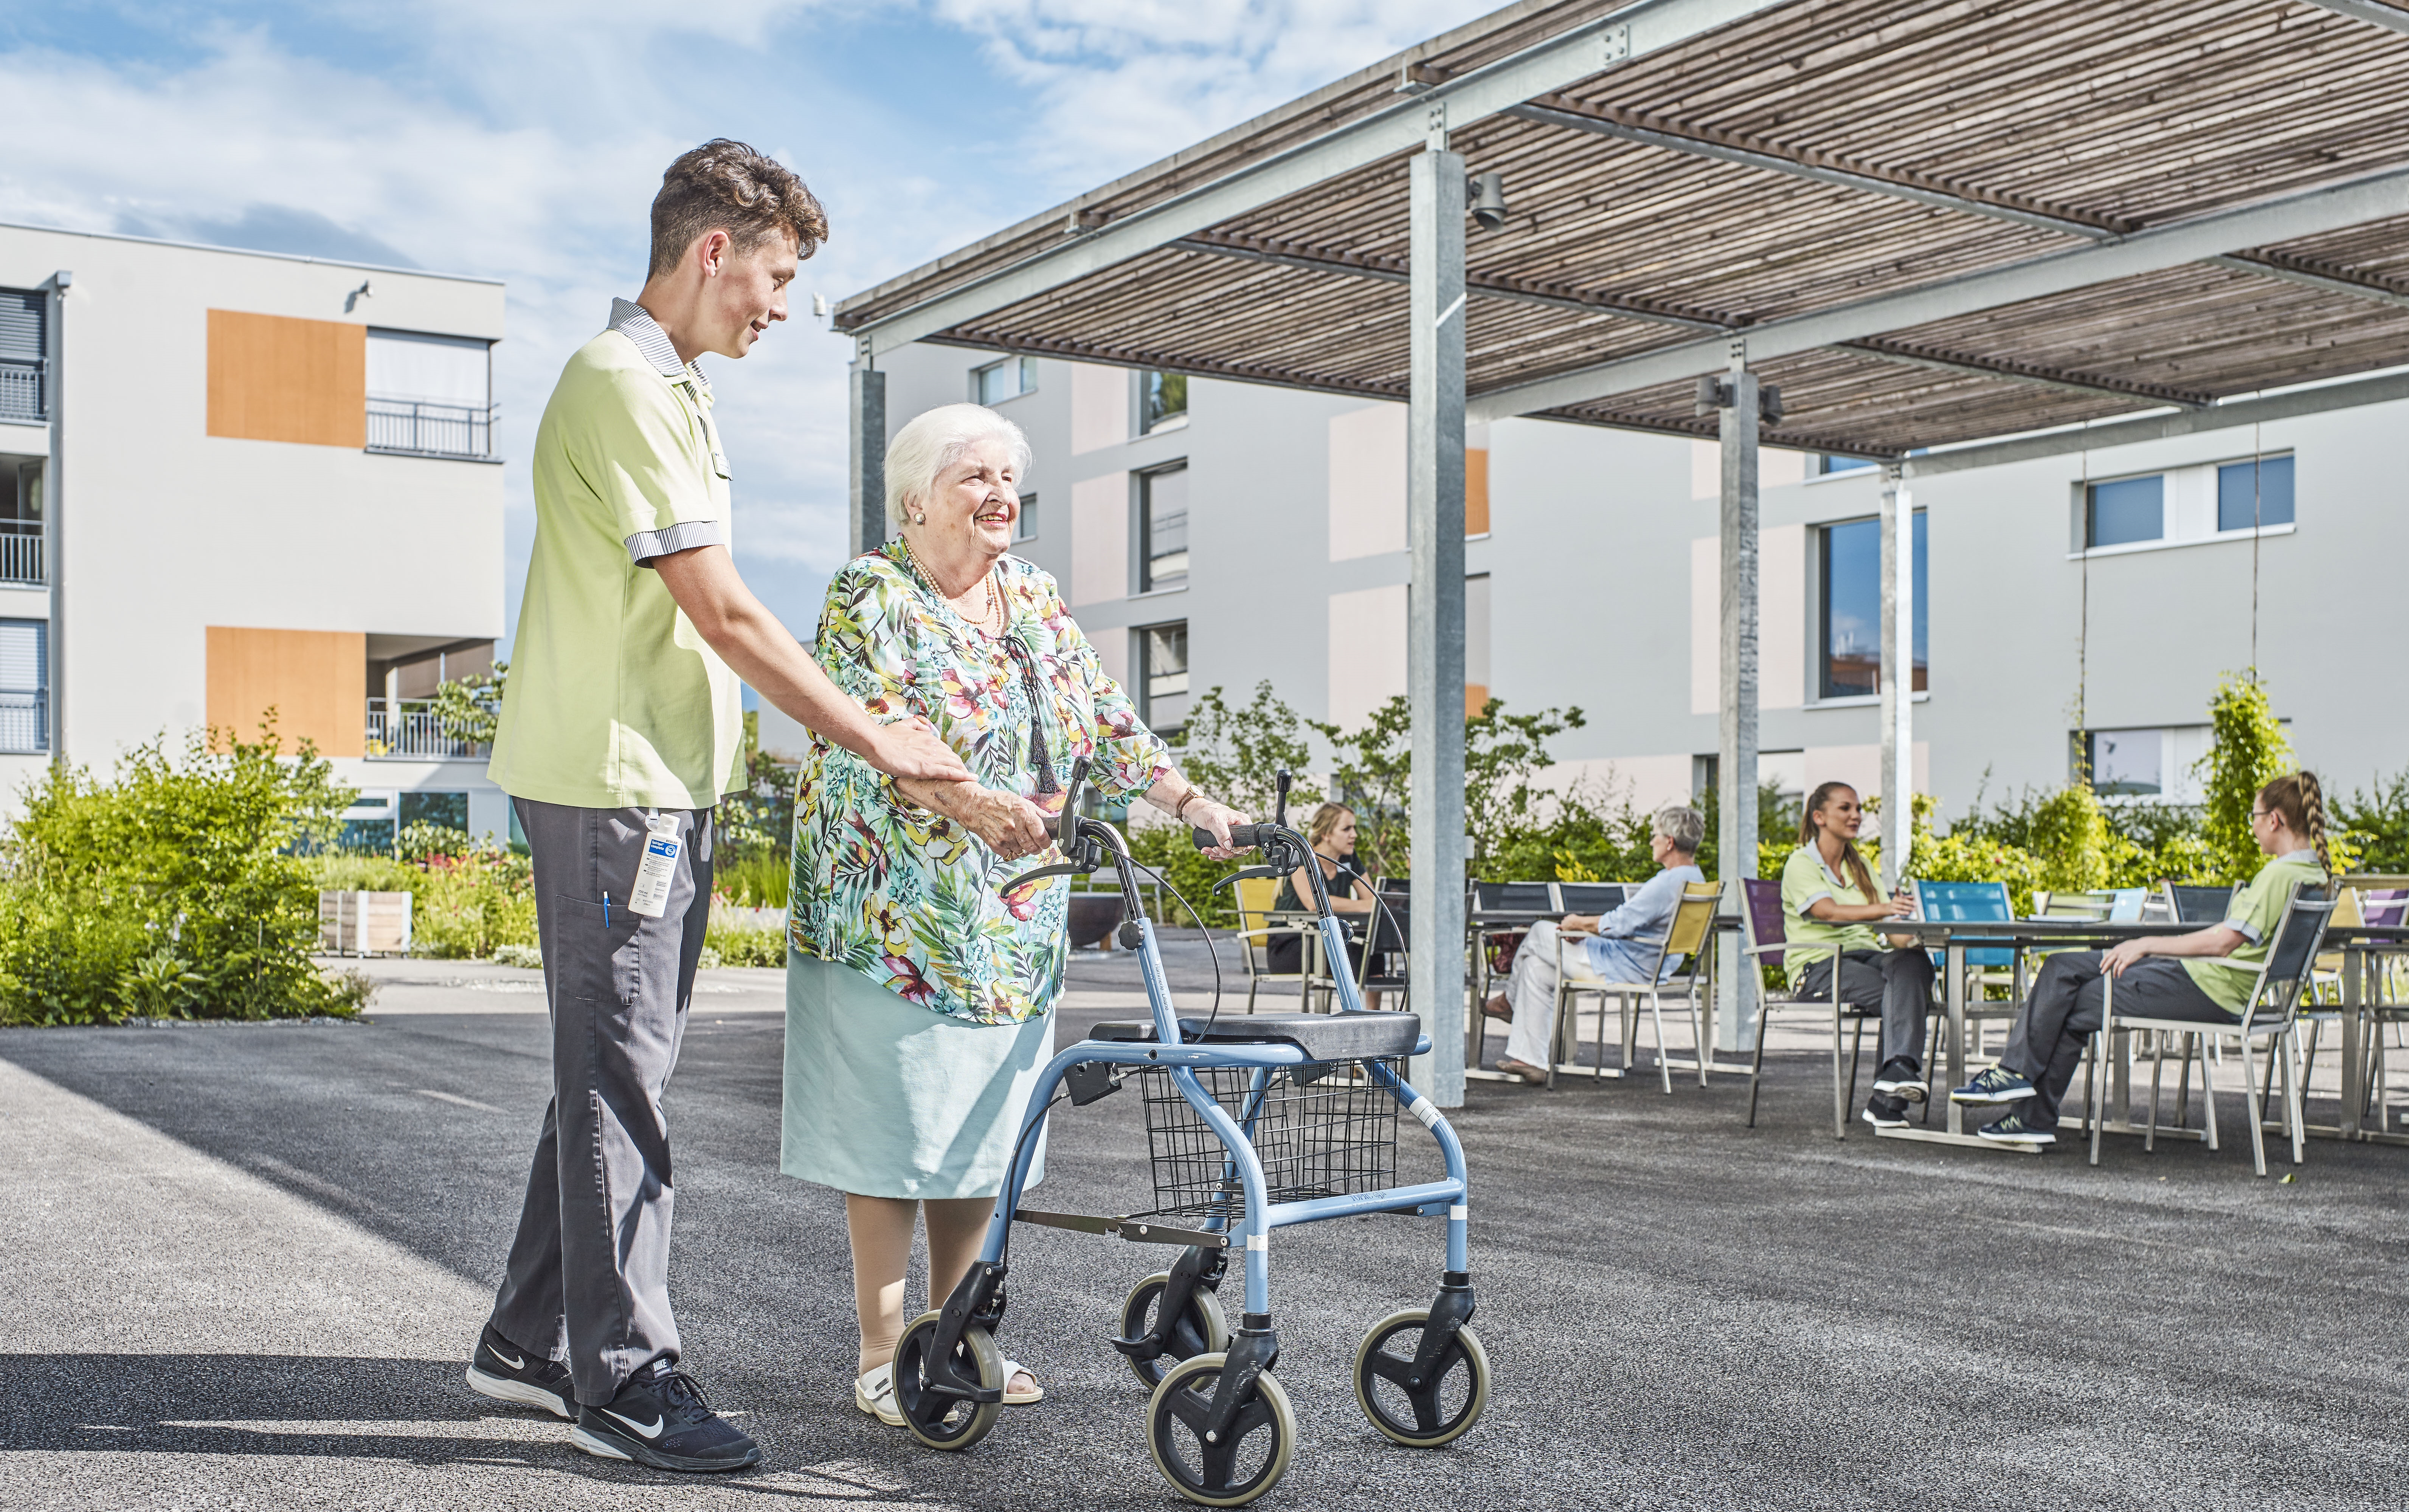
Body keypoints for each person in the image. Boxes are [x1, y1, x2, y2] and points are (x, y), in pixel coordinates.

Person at [464, 141, 970, 1475]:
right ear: (712, 250)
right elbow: (723, 608)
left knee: (613, 1065)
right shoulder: (618, 382)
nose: (782, 304)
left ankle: (527, 1335)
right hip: (612, 785)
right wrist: (873, 738)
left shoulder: (673, 389)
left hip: (661, 787)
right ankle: (625, 1378)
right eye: (777, 274)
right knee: (623, 1076)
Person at [780, 402, 1249, 1430]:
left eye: (1009, 481)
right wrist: (971, 803)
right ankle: (880, 1350)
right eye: (974, 478)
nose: (1001, 497)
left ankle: (953, 1335)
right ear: (915, 499)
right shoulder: (872, 593)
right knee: (892, 1129)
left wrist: (1189, 801)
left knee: (979, 1134)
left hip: (1009, 913)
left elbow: (1103, 720)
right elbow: (884, 726)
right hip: (888, 910)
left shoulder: (1031, 594)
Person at [1952, 771, 2334, 1145]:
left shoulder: (2278, 875)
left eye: (2253, 817)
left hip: (2209, 988)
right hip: (2215, 984)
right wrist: (2144, 944)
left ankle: (2022, 1099)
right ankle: (2018, 1090)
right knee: (2060, 969)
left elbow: (2223, 943)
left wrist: (2147, 943)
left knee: (2070, 1001)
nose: (2252, 827)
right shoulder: (2312, 873)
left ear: (2274, 820)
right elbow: (2230, 937)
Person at [1484, 804, 1707, 1085]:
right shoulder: (1696, 879)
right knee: (1535, 968)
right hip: (1650, 965)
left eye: (1656, 835)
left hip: (1620, 966)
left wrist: (1578, 923)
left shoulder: (1667, 883)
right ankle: (1530, 1061)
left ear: (1670, 842)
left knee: (1540, 930)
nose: (1652, 841)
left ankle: (1508, 1002)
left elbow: (1620, 923)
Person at [1780, 782, 1934, 1128]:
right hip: (1818, 964)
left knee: (1912, 965)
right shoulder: (1801, 863)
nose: (1856, 816)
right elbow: (1827, 912)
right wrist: (1884, 908)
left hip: (1867, 955)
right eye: (1845, 808)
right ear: (1819, 817)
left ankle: (1897, 1073)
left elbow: (1891, 931)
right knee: (1902, 998)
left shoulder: (1860, 866)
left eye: (1858, 808)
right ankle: (1889, 1098)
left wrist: (1923, 938)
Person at [1264, 803, 1385, 1005]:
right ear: (1327, 834)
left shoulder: (1349, 860)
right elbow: (1313, 903)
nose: (1354, 835)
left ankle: (1373, 1020)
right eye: (1347, 829)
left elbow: (1372, 898)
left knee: (1371, 950)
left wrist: (1369, 904)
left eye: (1354, 828)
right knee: (1353, 952)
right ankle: (1353, 1018)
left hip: (1327, 938)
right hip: (1291, 945)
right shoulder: (1304, 856)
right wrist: (1365, 906)